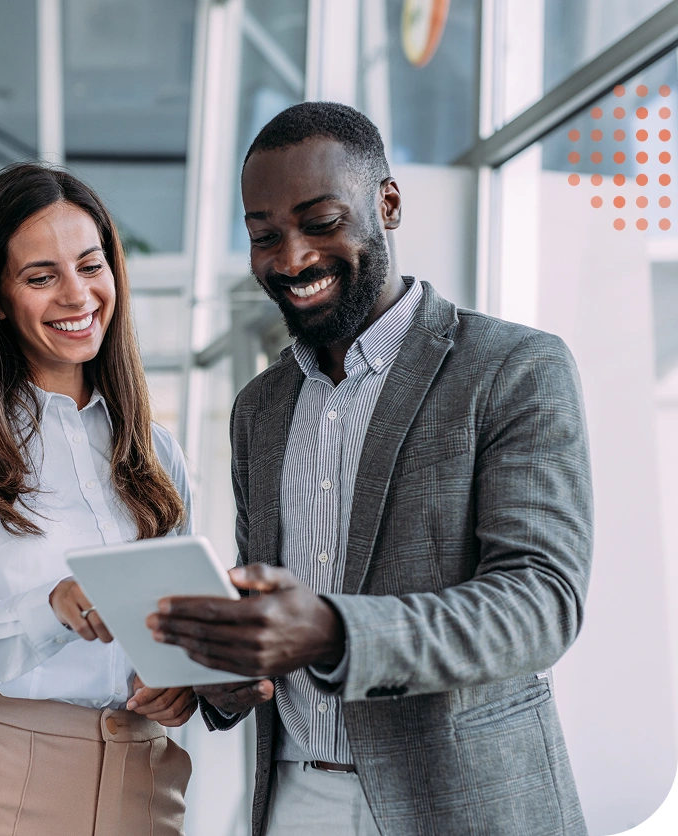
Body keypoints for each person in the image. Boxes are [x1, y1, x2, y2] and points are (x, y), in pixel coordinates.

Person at [147, 102, 592, 836]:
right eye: (264, 236)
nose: (292, 259)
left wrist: (333, 631)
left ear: (387, 204)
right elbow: (270, 624)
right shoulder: (259, 407)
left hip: (462, 804)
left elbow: (541, 603)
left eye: (321, 223)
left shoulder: (513, 368)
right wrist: (222, 671)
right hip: (294, 800)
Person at [0, 162, 196, 836]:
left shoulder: (154, 452)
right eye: (41, 277)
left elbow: (172, 627)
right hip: (3, 785)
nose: (78, 295)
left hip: (146, 784)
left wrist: (182, 678)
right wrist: (51, 608)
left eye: (91, 266)